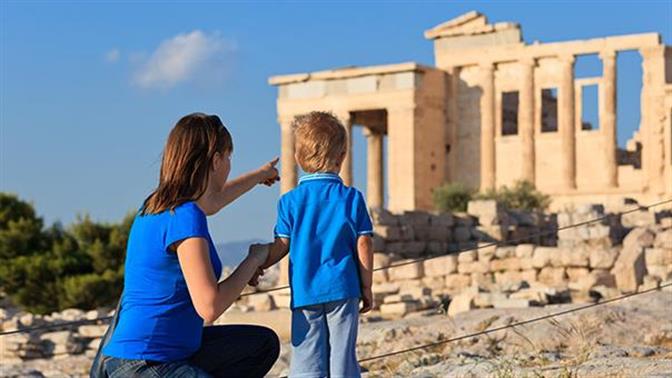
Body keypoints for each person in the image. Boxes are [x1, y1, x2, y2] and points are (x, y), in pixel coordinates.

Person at [99, 113, 281, 377]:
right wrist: (252, 259)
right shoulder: (185, 216)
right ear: (216, 160)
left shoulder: (159, 205)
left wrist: (259, 175)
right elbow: (209, 307)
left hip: (165, 353)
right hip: (146, 363)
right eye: (228, 157)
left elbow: (214, 201)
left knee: (261, 345)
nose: (230, 164)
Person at [255, 111, 374, 378]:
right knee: (343, 358)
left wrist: (259, 264)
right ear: (342, 156)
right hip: (344, 289)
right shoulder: (352, 198)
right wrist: (366, 285)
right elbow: (364, 243)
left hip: (305, 292)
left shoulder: (289, 201)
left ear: (297, 158)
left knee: (306, 359)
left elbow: (281, 245)